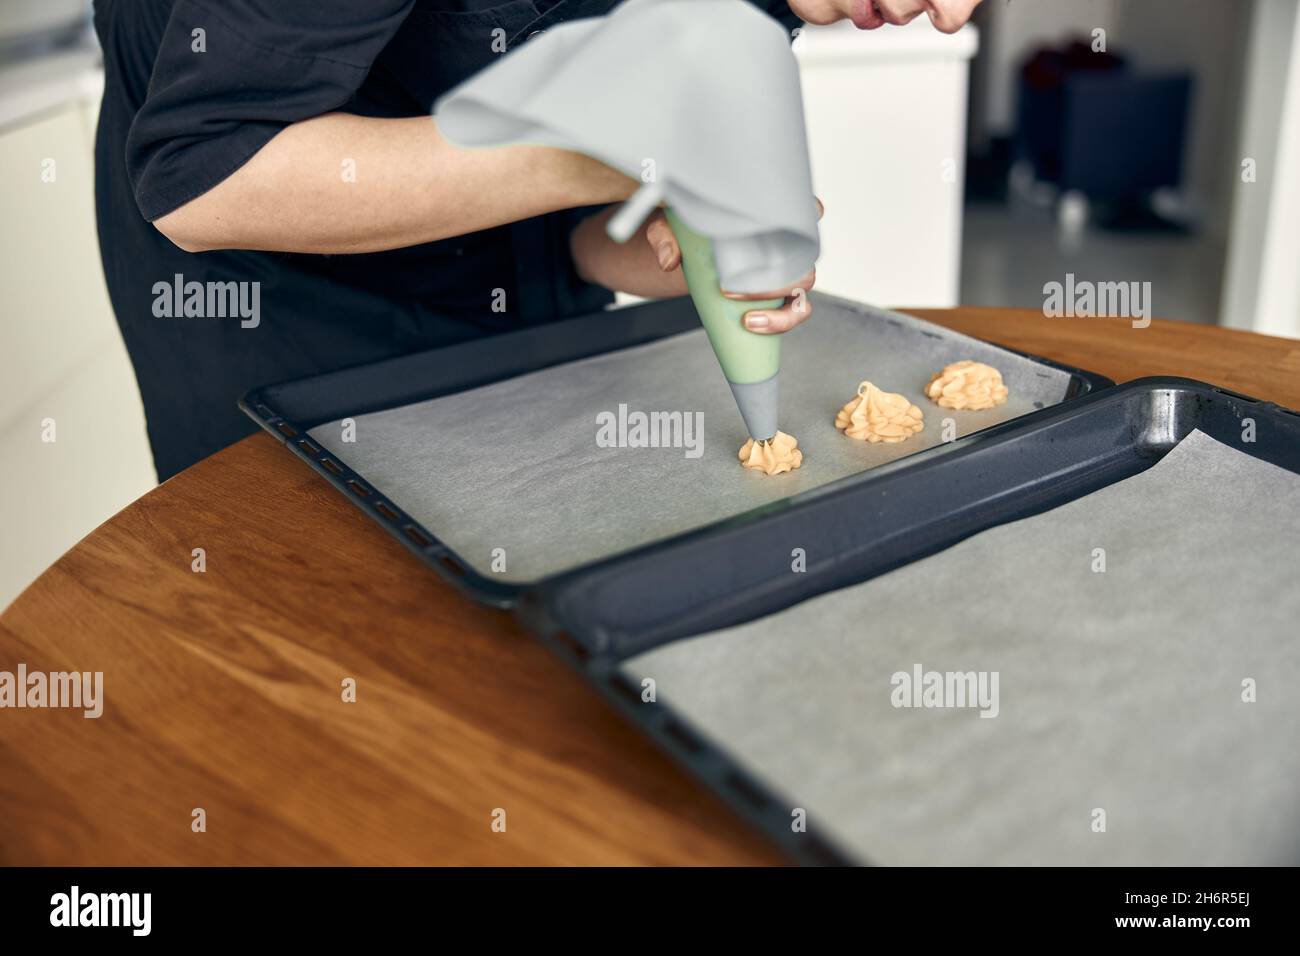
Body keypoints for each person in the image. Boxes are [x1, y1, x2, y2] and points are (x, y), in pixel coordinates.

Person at [93, 0, 982, 480]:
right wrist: (589, 159)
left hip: (511, 306)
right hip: (277, 306)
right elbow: (202, 179)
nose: (948, 13)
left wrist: (663, 240)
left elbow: (570, 236)